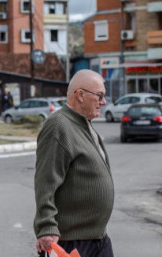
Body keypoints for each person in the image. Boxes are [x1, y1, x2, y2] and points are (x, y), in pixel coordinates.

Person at [34, 70, 115, 257]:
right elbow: (45, 181)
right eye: (100, 96)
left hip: (97, 238)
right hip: (71, 242)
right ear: (80, 95)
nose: (103, 102)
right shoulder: (59, 126)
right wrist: (46, 226)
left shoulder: (82, 123)